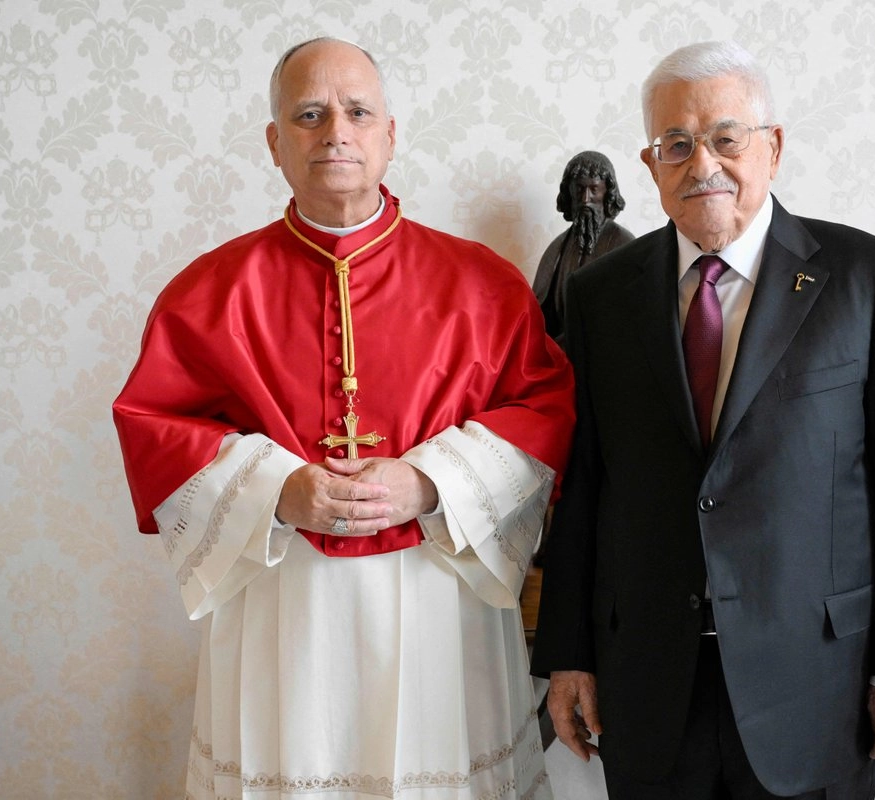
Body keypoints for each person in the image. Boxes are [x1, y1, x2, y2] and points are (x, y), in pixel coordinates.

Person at [113, 37, 574, 800]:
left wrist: (429, 481)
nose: (336, 131)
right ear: (274, 142)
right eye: (309, 114)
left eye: (358, 111)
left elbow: (545, 410)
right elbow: (155, 423)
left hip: (440, 586)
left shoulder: (483, 285)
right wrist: (277, 490)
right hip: (282, 593)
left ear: (389, 134)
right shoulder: (208, 293)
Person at [531, 40, 875, 800]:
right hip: (650, 683)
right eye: (676, 144)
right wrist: (568, 654)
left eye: (726, 138)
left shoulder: (868, 277)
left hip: (817, 686)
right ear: (651, 162)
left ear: (773, 147)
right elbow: (585, 483)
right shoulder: (603, 294)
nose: (703, 165)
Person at [532, 151, 634, 343]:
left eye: (594, 190)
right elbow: (539, 312)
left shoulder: (624, 245)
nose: (586, 199)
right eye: (579, 190)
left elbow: (628, 315)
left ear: (608, 193)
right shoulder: (557, 248)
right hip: (560, 355)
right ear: (570, 193)